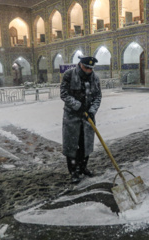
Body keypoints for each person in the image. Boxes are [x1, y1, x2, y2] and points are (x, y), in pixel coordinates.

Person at [60, 55, 102, 183]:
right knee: (72, 146)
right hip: (72, 117)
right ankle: (74, 172)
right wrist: (77, 106)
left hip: (88, 118)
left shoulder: (95, 78)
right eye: (86, 68)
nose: (88, 71)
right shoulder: (69, 75)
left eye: (90, 68)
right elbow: (64, 94)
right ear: (80, 64)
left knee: (85, 145)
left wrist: (91, 111)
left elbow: (98, 97)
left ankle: (83, 168)